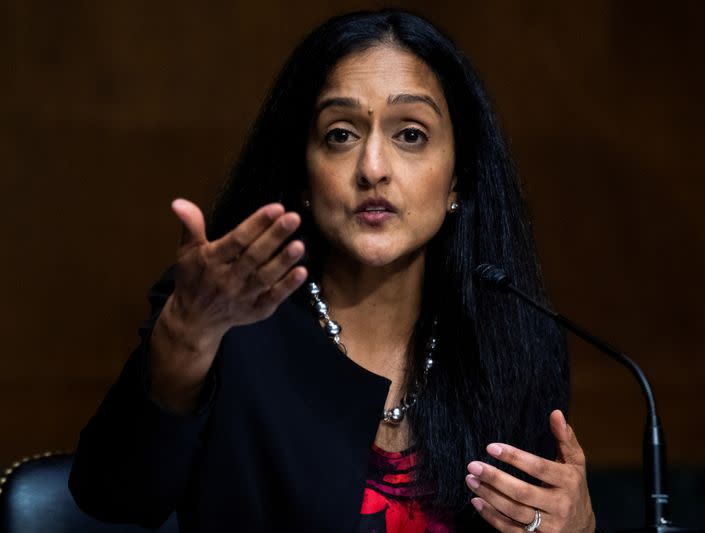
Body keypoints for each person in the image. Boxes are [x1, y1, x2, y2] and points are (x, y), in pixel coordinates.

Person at [69, 9, 596, 533]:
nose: (372, 168)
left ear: (457, 178)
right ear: (303, 172)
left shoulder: (515, 339)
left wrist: (578, 529)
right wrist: (187, 333)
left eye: (410, 135)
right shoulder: (223, 321)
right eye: (341, 134)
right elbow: (112, 497)